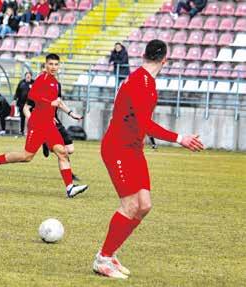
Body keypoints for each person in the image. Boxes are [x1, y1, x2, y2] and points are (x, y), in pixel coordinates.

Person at [92, 39, 204, 279]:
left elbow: (135, 119)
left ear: (144, 55)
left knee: (144, 206)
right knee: (130, 205)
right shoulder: (141, 82)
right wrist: (180, 137)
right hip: (118, 148)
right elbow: (145, 123)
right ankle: (102, 258)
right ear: (165, 60)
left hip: (133, 148)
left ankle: (110, 254)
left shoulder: (145, 81)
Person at [0, 54, 88, 198]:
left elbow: (58, 101)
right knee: (27, 156)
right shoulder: (41, 79)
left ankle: (69, 188)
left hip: (49, 124)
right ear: (45, 65)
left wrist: (70, 113)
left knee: (63, 153)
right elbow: (34, 96)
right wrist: (49, 103)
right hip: (38, 124)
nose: (53, 67)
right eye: (50, 64)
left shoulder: (56, 83)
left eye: (56, 64)